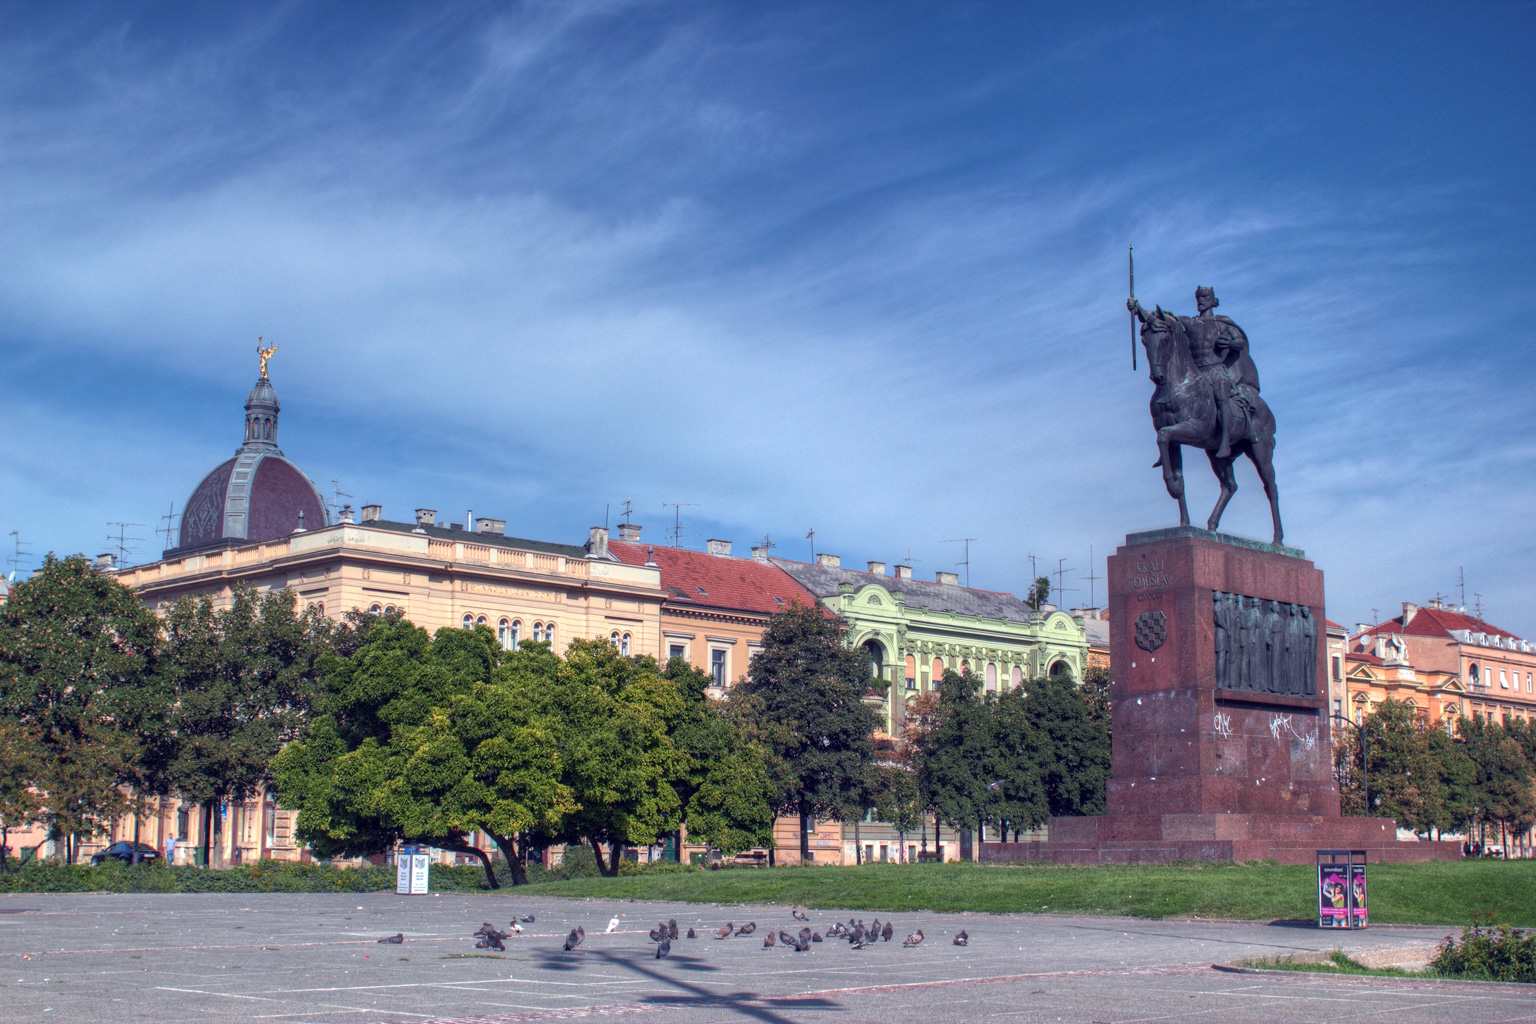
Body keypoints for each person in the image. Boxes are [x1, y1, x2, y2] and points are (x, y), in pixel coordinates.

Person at [1129, 287, 1258, 459]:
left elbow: (1240, 342)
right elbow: (1160, 319)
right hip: (1199, 372)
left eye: (1205, 297)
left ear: (1213, 300)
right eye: (1198, 297)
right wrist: (1138, 309)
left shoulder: (1222, 323)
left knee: (1221, 394)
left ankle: (1226, 441)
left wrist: (1231, 342)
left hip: (1217, 369)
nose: (1201, 300)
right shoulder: (1189, 323)